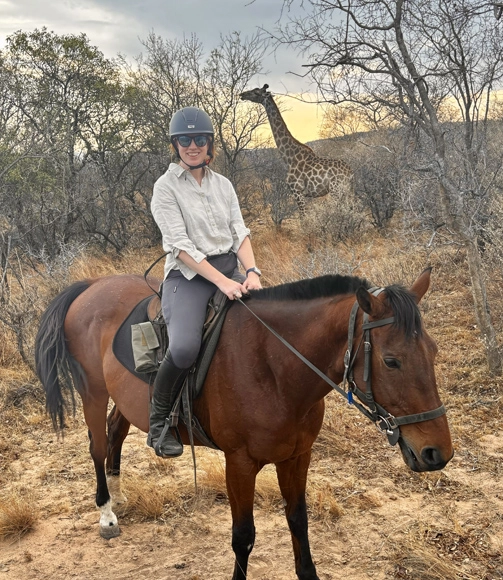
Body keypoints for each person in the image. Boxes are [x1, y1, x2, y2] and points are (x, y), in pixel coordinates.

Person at [148, 106, 263, 458]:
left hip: (231, 270)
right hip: (190, 277)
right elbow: (180, 248)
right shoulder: (164, 188)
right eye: (185, 140)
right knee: (183, 347)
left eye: (199, 139)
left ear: (210, 143)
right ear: (175, 144)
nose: (193, 145)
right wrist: (223, 283)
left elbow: (238, 232)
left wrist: (252, 272)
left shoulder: (223, 184)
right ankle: (160, 422)